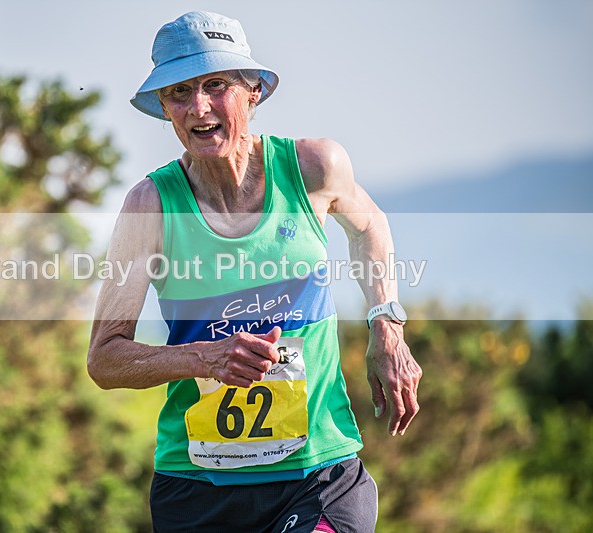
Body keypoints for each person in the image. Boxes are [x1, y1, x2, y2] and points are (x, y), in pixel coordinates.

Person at [87, 11, 422, 533]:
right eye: (178, 92)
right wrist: (206, 358)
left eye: (215, 85)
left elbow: (369, 225)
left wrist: (386, 323)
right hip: (198, 490)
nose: (199, 107)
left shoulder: (314, 168)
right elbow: (104, 359)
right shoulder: (150, 207)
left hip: (318, 473)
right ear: (163, 109)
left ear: (253, 91)